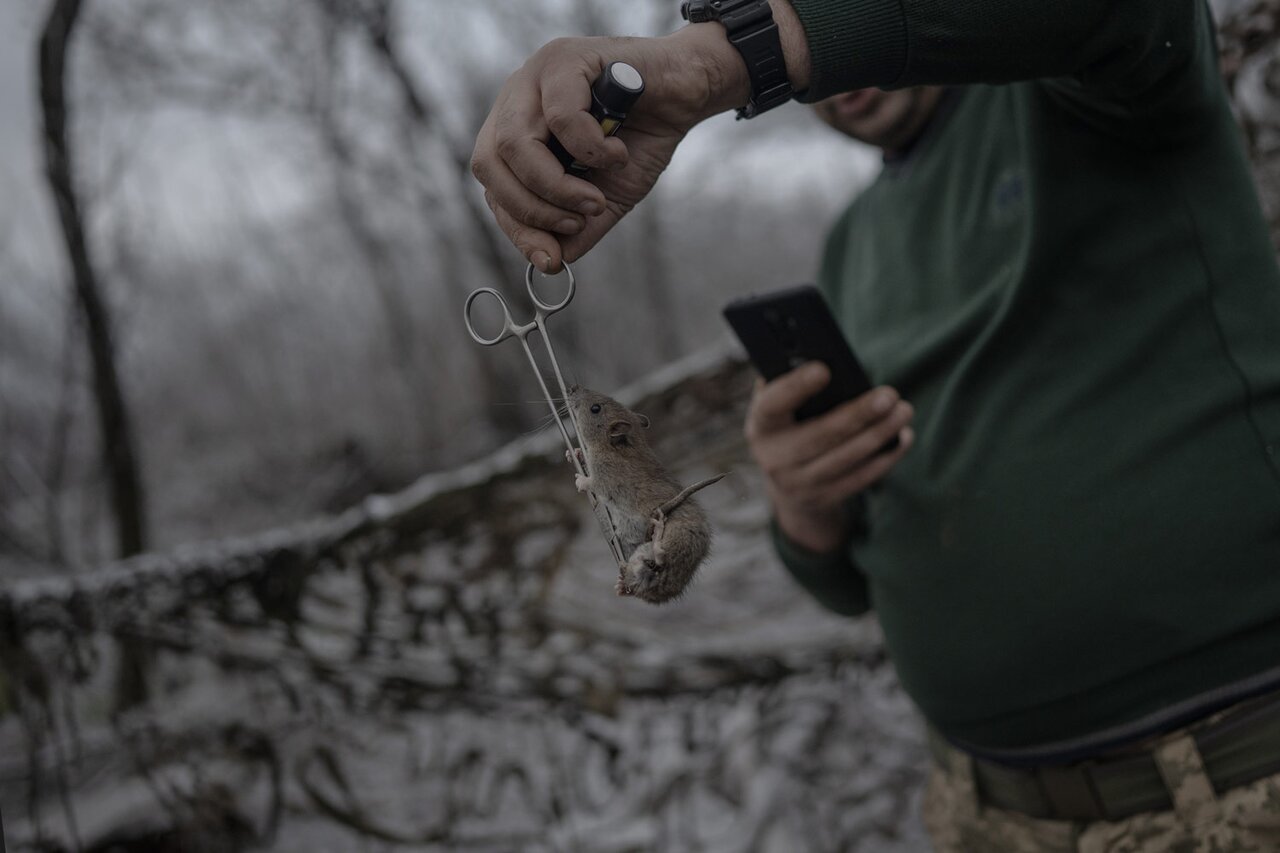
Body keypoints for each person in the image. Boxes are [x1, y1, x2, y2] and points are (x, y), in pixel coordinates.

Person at [471, 1, 1280, 849]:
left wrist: (729, 57)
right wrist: (803, 502)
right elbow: (844, 581)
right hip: (990, 807)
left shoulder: (1091, 85)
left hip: (1239, 766)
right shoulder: (853, 244)